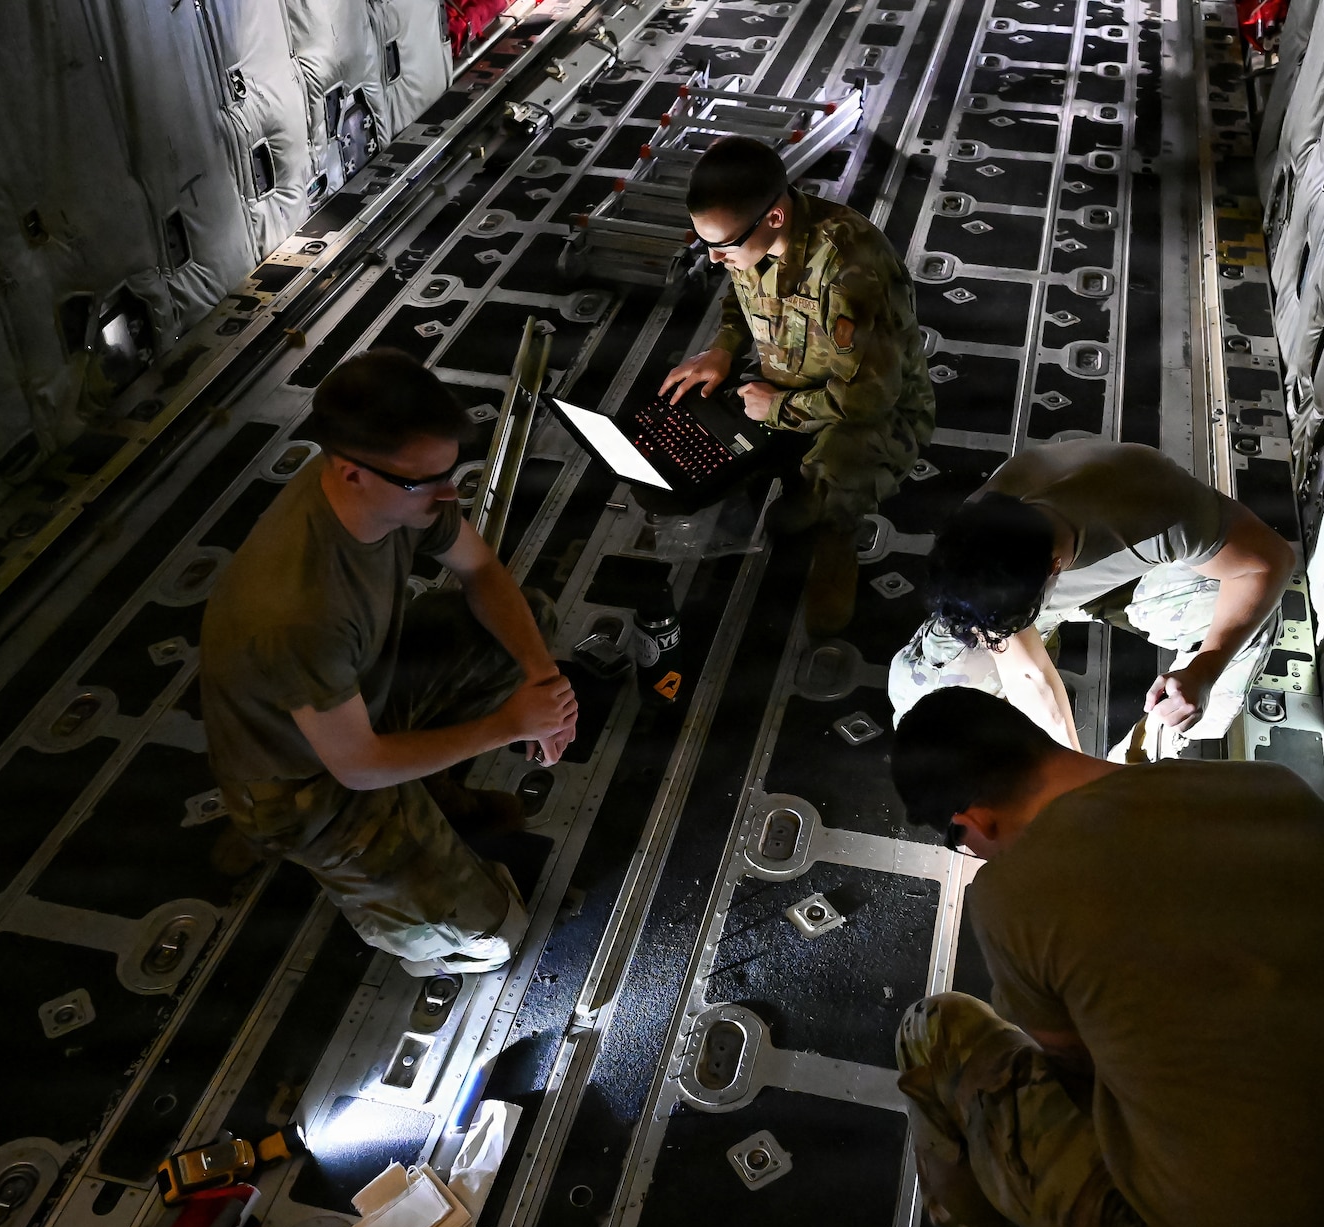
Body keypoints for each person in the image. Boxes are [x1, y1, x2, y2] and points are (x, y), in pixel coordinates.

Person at [889, 688, 1324, 1227]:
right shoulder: (1276, 790)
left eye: (965, 846)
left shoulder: (1011, 894)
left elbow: (1078, 1078)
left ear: (975, 822)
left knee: (932, 1032)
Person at [199, 350, 578, 977]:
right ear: (352, 474)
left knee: (527, 624)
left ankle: (422, 796)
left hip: (362, 697)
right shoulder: (299, 609)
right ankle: (399, 926)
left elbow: (481, 570)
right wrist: (511, 724)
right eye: (425, 480)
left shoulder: (403, 489)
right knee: (496, 934)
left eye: (451, 470)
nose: (449, 493)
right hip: (302, 784)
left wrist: (542, 683)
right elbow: (358, 766)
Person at [659, 135, 935, 635]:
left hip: (874, 410)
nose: (715, 260)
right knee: (696, 424)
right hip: (786, 379)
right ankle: (790, 495)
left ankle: (835, 539)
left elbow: (871, 397)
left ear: (775, 217)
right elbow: (740, 297)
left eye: (722, 247)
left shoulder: (850, 271)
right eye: (706, 245)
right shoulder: (749, 240)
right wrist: (723, 348)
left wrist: (779, 409)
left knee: (835, 475)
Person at [889, 440, 1295, 754]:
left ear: (1055, 568)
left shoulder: (1159, 509)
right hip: (1029, 590)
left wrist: (1206, 669)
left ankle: (1156, 746)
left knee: (1252, 623)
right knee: (920, 704)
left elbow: (1270, 561)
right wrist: (1075, 774)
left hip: (1130, 576)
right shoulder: (985, 526)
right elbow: (1027, 673)